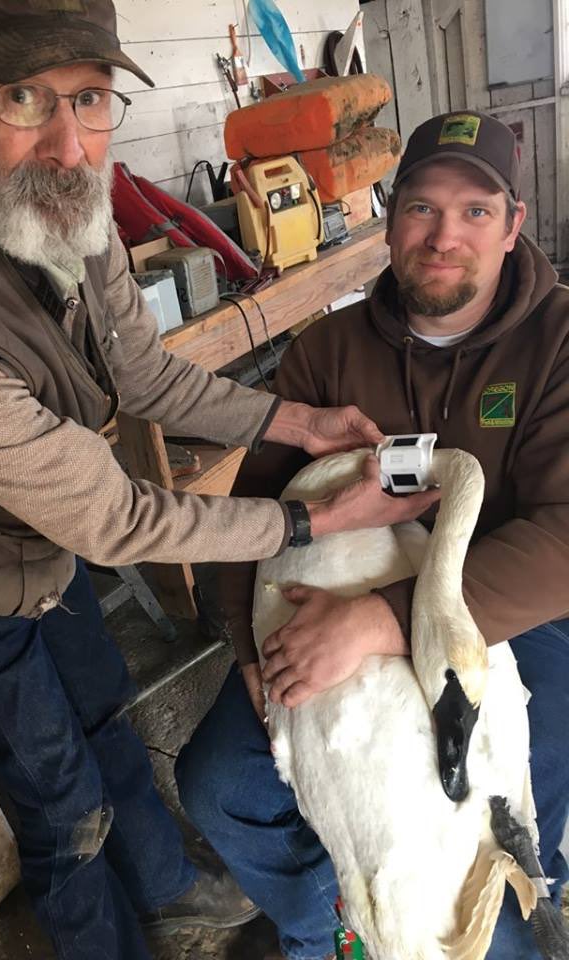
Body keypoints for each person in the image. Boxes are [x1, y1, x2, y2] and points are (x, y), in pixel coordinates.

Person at [0, 3, 440, 959]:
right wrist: (312, 522)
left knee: (109, 708)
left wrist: (300, 420)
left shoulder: (65, 213)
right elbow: (117, 519)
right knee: (56, 793)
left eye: (89, 99)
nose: (69, 143)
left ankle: (169, 885)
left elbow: (143, 374)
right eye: (23, 98)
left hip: (41, 526)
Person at [176, 110, 569, 960]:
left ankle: (502, 923)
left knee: (482, 836)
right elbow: (254, 502)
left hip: (512, 613)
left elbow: (565, 540)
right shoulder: (324, 353)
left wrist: (385, 622)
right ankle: (339, 928)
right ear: (390, 220)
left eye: (475, 211)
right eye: (423, 207)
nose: (444, 236)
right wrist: (248, 651)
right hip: (338, 593)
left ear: (513, 227)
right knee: (219, 787)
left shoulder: (559, 346)